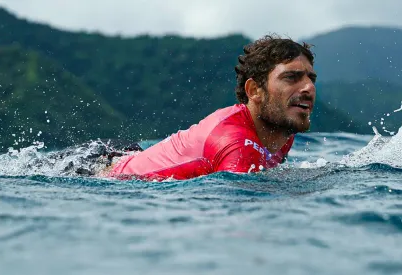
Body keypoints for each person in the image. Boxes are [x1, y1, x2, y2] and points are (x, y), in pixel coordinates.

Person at [105, 34, 317, 181]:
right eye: (291, 77)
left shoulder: (282, 133)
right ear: (254, 91)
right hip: (105, 174)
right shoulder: (237, 145)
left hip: (128, 155)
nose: (308, 87)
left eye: (311, 78)